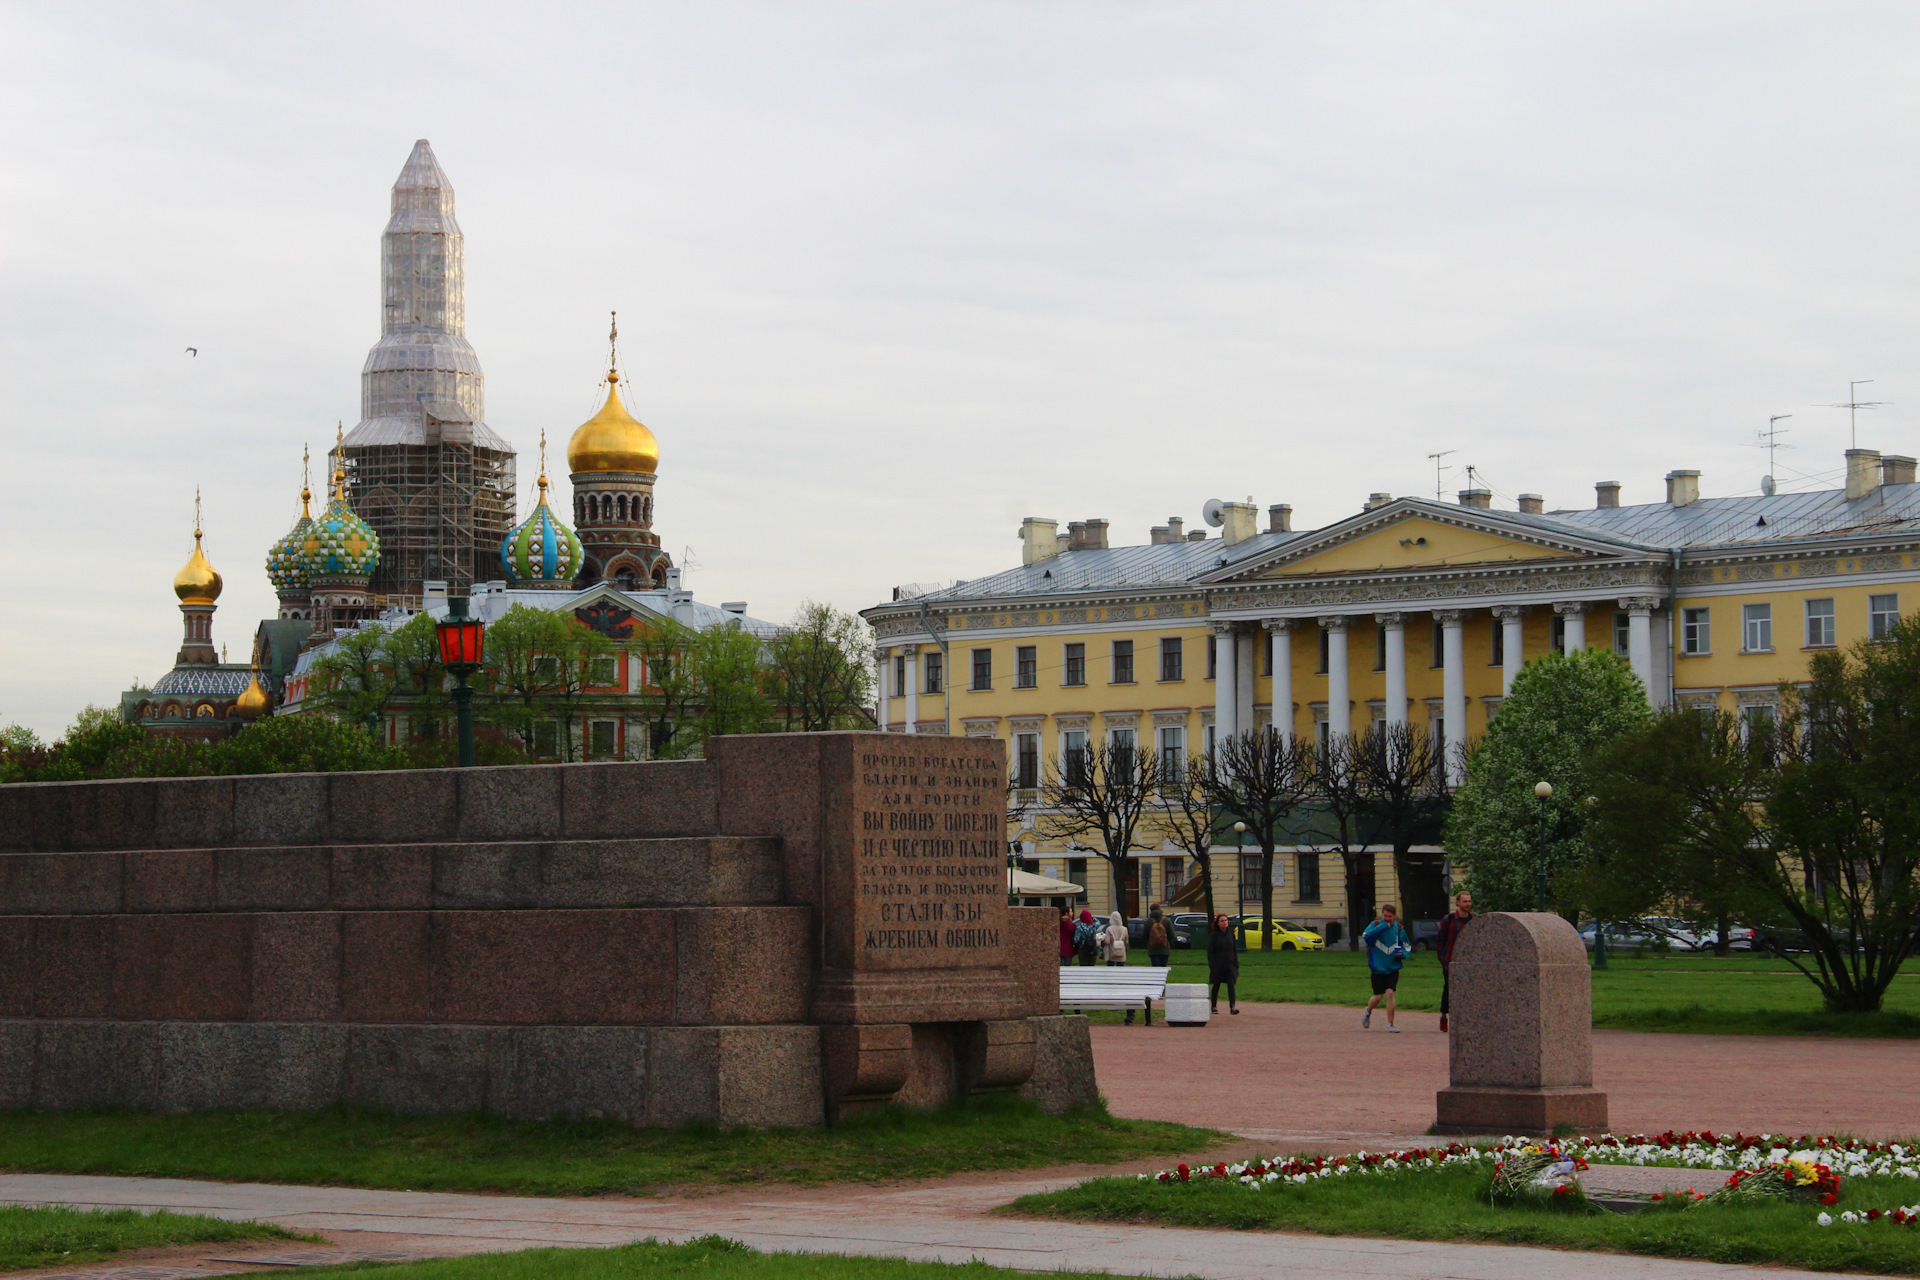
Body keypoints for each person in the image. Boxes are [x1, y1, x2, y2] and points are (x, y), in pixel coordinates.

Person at [1361, 903, 1410, 1032]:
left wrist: (1402, 954)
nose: (1388, 918)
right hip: (1377, 967)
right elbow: (1367, 937)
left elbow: (1406, 946)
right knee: (1378, 997)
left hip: (1392, 967)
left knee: (1390, 993)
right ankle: (1368, 1011)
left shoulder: (1399, 928)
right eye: (1385, 916)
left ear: (1394, 916)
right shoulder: (1376, 924)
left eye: (1390, 916)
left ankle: (1390, 1024)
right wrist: (1383, 926)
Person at [1435, 890, 1473, 1032]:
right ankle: (1444, 1015)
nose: (1467, 904)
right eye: (1464, 901)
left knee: (1468, 990)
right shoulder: (1449, 920)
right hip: (1450, 962)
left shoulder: (1473, 920)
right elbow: (1440, 941)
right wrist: (1444, 960)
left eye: (1469, 901)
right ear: (1457, 903)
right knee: (1449, 989)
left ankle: (1464, 1018)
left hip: (1468, 963)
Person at [1103, 909, 1134, 1023]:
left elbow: (1106, 941)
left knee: (1110, 968)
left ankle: (1111, 986)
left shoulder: (1109, 929)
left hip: (1111, 953)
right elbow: (1126, 941)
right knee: (1121, 968)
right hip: (1121, 953)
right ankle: (1120, 984)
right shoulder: (1124, 929)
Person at [1207, 913, 1240, 1015]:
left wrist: (1235, 963)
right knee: (1216, 984)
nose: (1224, 922)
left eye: (1226, 920)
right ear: (1218, 923)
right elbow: (1210, 951)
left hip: (1229, 963)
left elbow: (1234, 950)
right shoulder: (1214, 935)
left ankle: (1232, 1007)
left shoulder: (1231, 934)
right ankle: (1213, 1006)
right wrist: (1212, 964)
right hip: (1218, 964)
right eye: (1222, 921)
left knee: (1231, 984)